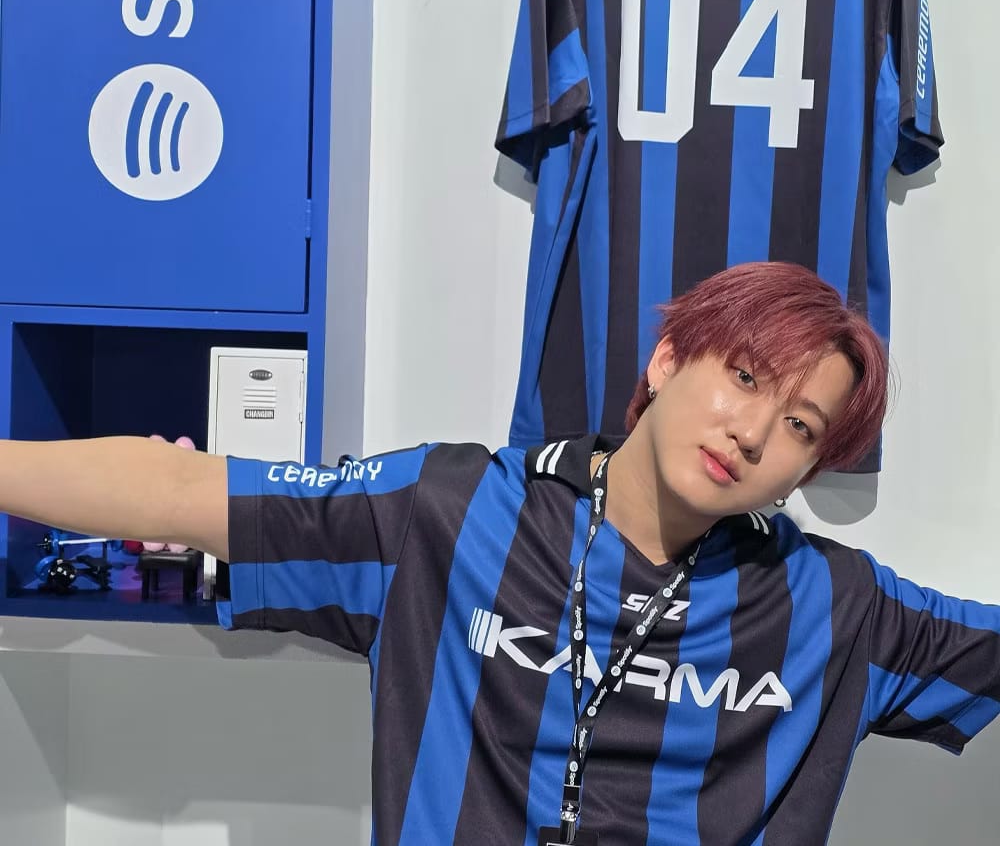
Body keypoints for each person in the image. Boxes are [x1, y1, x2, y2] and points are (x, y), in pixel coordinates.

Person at [2, 261, 998, 846]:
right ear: (666, 360)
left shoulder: (831, 605)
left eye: (799, 426)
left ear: (805, 472)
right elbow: (184, 490)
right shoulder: (455, 510)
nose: (752, 431)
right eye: (743, 376)